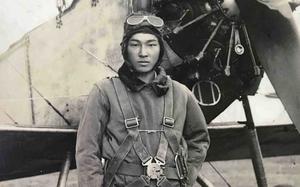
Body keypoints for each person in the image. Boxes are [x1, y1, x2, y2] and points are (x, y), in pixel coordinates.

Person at [76, 12, 210, 187]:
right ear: (125, 49)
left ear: (161, 49)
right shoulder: (104, 92)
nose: (143, 53)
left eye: (151, 44)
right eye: (135, 45)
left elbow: (199, 139)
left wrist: (186, 177)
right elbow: (87, 150)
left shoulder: (181, 93)